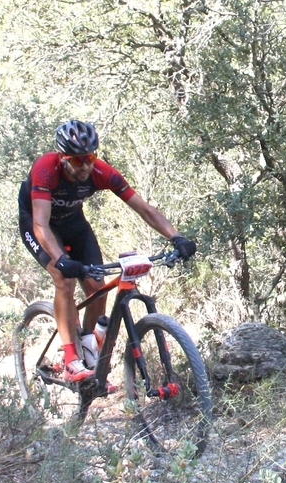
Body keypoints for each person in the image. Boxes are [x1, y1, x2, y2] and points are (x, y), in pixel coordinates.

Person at [18, 119, 195, 382]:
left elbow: (145, 209)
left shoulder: (101, 172)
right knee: (64, 279)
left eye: (90, 157)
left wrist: (176, 237)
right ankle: (70, 360)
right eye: (77, 160)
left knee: (96, 287)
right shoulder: (46, 169)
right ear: (62, 158)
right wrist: (61, 259)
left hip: (74, 224)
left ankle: (88, 349)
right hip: (37, 224)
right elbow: (41, 225)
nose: (85, 165)